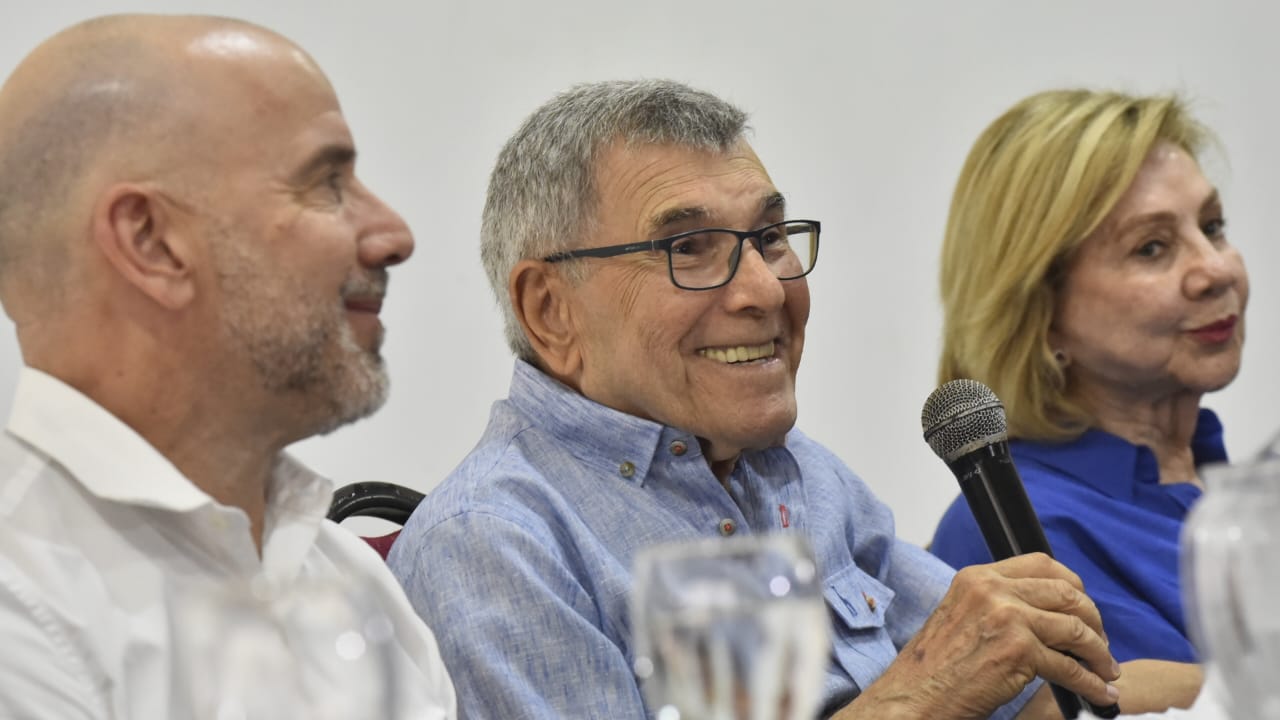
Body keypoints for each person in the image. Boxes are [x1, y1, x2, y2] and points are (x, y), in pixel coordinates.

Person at [387, 79, 1174, 719]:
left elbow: (1032, 692)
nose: (766, 288)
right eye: (688, 248)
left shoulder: (800, 475)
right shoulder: (495, 545)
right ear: (550, 311)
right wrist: (923, 699)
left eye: (768, 237)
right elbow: (950, 682)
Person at [0, 15, 455, 718]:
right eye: (326, 184)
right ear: (152, 241)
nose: (394, 234)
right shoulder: (22, 609)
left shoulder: (352, 578)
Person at [929, 89, 1246, 702]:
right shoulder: (1015, 536)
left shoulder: (1237, 484)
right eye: (1152, 247)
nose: (1217, 269)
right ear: (1041, 314)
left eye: (1213, 227)